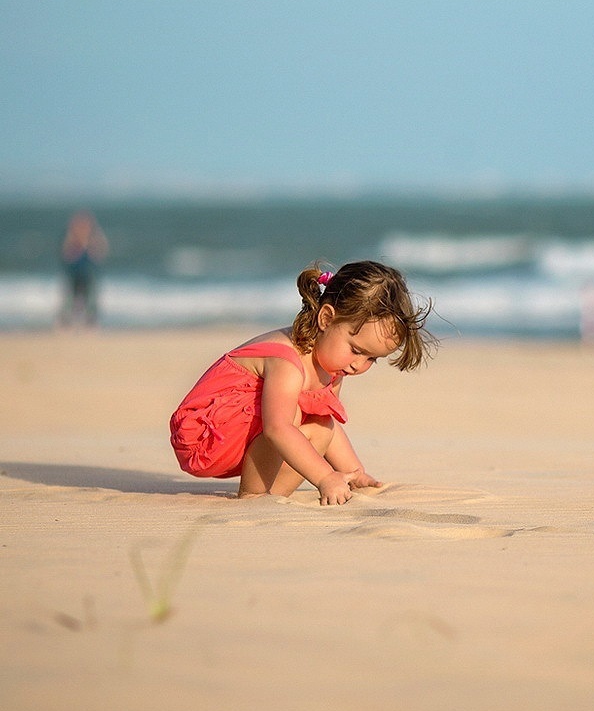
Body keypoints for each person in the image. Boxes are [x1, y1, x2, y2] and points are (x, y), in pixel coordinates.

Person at [170, 260, 436, 505]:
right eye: (356, 350)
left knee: (320, 423)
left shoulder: (333, 365)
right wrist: (323, 477)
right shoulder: (287, 361)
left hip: (245, 431)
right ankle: (253, 496)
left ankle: (273, 497)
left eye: (372, 359)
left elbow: (328, 426)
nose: (359, 364)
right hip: (206, 434)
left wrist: (353, 473)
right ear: (326, 318)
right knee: (290, 416)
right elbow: (276, 428)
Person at [59, 210, 109, 326]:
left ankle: (90, 322)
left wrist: (91, 239)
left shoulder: (93, 238)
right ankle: (66, 322)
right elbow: (66, 255)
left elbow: (101, 252)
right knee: (70, 299)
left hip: (88, 273)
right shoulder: (71, 238)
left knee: (91, 299)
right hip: (74, 273)